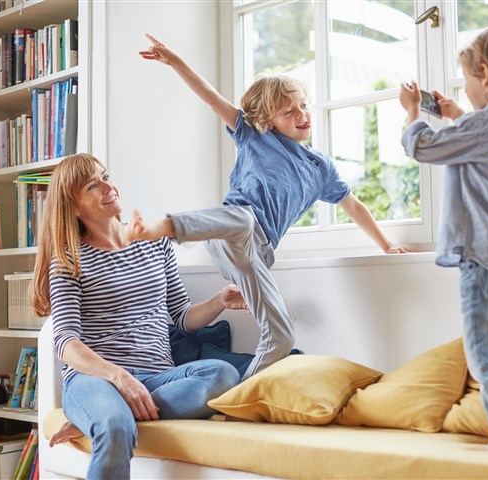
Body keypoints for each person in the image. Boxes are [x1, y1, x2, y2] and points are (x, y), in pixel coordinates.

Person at [137, 34, 416, 380]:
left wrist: (387, 244)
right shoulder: (255, 136)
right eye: (289, 111)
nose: (302, 114)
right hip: (229, 229)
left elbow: (354, 206)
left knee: (282, 336)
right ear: (268, 121)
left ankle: (240, 401)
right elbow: (211, 98)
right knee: (242, 218)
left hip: (257, 254)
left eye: (303, 106)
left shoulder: (320, 166)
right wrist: (175, 62)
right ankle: (164, 227)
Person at [30, 153, 248, 479]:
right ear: (74, 207)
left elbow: (182, 316)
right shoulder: (69, 260)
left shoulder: (153, 241)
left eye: (105, 176)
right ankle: (107, 415)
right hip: (95, 381)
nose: (108, 186)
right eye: (93, 185)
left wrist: (219, 300)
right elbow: (66, 343)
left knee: (222, 375)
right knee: (115, 426)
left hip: (157, 377)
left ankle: (99, 418)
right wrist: (119, 378)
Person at [399, 26, 488, 451]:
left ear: (486, 73)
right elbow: (479, 137)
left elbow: (424, 148)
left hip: (485, 257)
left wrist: (412, 114)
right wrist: (458, 113)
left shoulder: (485, 126)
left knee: (486, 352)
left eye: (467, 79)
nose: (466, 87)